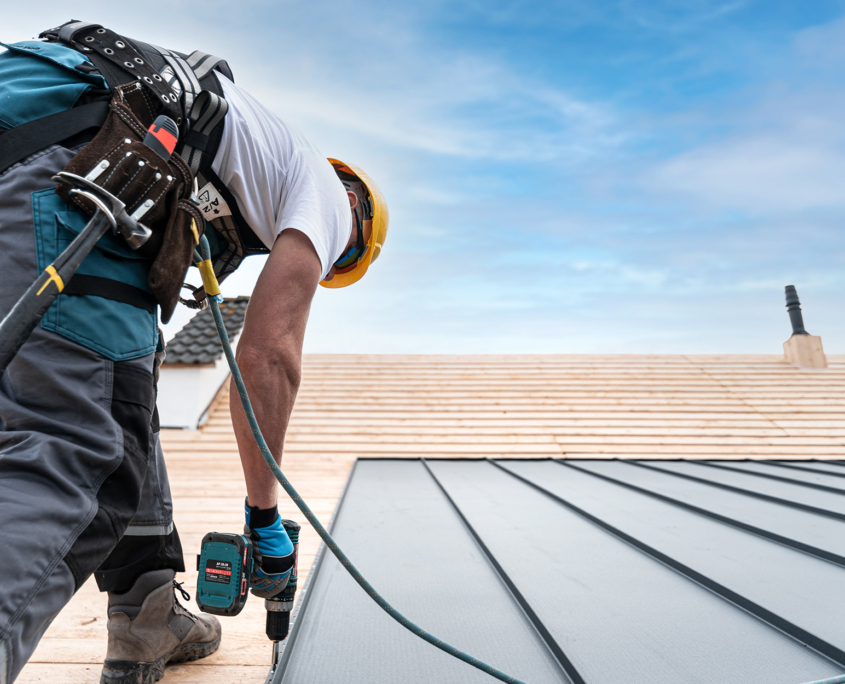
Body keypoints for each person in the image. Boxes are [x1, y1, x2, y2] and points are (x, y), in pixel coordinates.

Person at [0, 20, 388, 684]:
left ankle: (147, 614)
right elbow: (268, 355)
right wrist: (262, 514)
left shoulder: (238, 156)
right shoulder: (327, 200)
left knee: (125, 383)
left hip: (32, 118)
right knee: (75, 448)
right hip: (64, 153)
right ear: (352, 231)